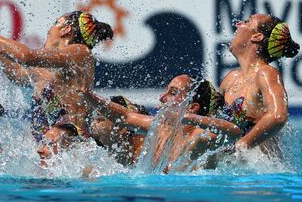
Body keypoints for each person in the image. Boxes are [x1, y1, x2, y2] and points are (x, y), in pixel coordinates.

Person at [0, 10, 113, 141]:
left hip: (71, 154)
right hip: (47, 156)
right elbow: (14, 72)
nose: (50, 29)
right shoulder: (46, 72)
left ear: (65, 29)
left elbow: (27, 56)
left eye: (55, 23)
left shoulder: (81, 54)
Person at [80, 74, 242, 172]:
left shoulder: (199, 138)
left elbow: (234, 132)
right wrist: (88, 94)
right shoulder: (161, 128)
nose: (162, 98)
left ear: (192, 107)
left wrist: (185, 117)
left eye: (172, 93)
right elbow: (125, 117)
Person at [220, 14, 299, 152]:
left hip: (262, 172)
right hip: (234, 171)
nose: (238, 24)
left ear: (257, 36)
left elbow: (278, 116)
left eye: (247, 21)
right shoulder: (230, 79)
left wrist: (243, 145)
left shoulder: (266, 74)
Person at [88, 96, 148, 166]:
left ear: (121, 128)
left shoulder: (144, 153)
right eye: (93, 118)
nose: (93, 124)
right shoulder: (97, 153)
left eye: (99, 119)